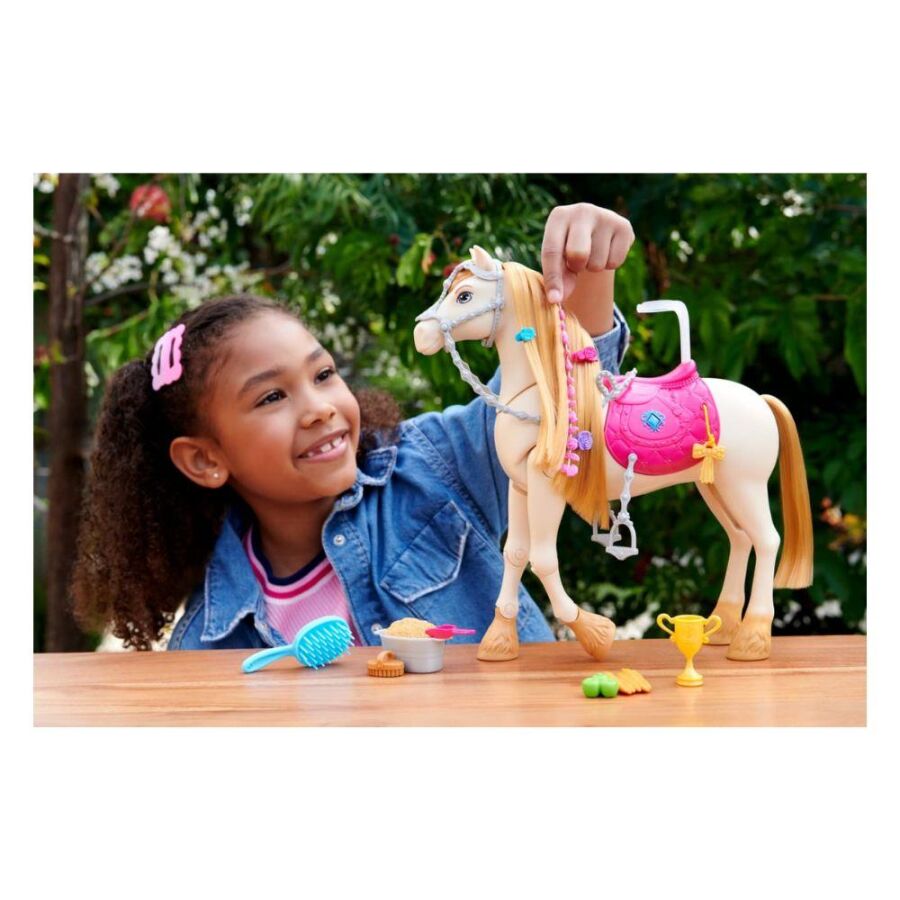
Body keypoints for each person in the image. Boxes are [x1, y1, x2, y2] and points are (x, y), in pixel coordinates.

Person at [71, 203, 635, 651]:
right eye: (271, 396)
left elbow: (562, 404)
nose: (319, 407)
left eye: (323, 374)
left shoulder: (435, 467)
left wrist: (587, 268)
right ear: (205, 459)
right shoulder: (210, 642)